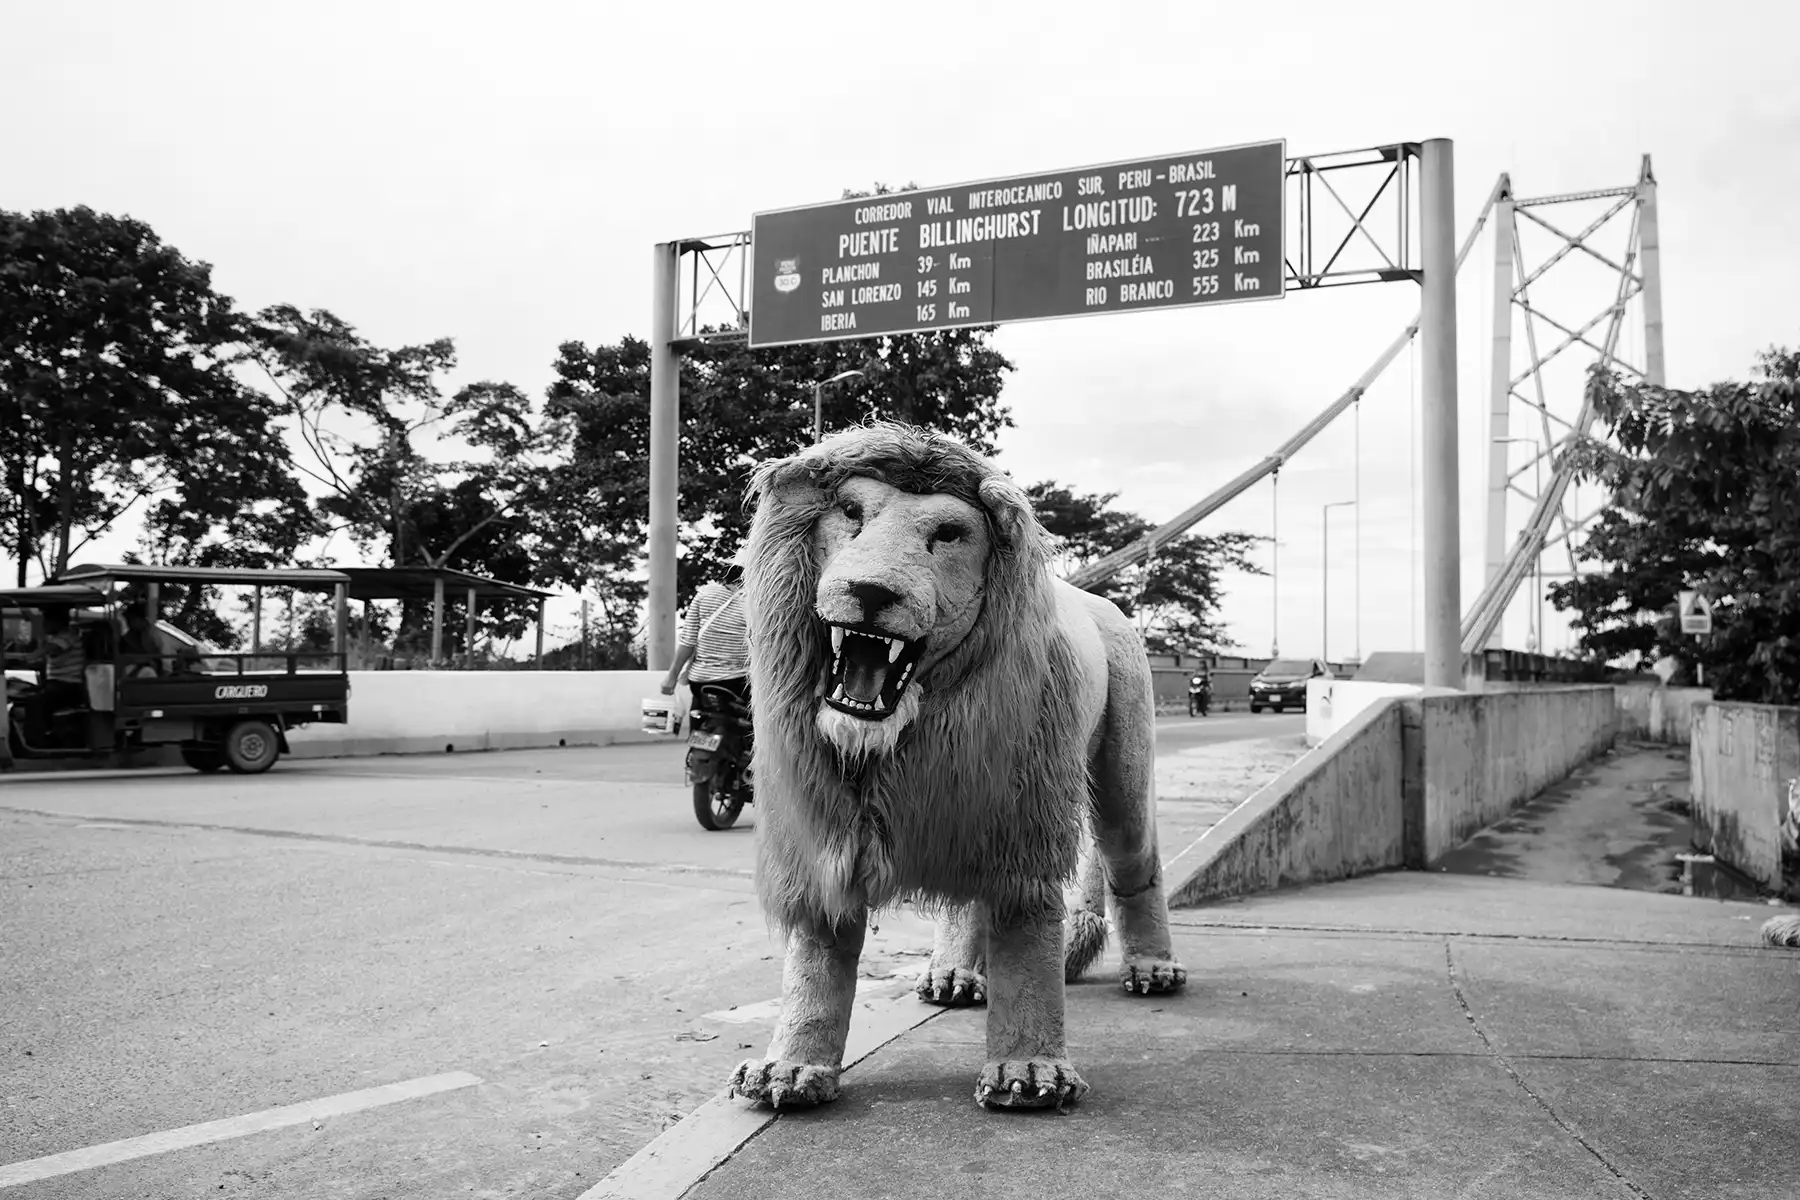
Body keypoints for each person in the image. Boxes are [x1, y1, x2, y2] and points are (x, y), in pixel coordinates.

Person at [660, 553, 752, 727]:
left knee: (699, 717)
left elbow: (688, 641)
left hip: (700, 682)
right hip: (737, 683)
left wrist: (671, 677)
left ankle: (698, 738)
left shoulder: (704, 594)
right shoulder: (753, 602)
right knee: (755, 730)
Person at [24, 608, 87, 711]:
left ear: (57, 622)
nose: (44, 625)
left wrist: (28, 657)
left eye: (46, 621)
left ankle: (38, 727)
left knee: (35, 702)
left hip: (68, 684)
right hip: (56, 683)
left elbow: (52, 649)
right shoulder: (55, 637)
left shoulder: (68, 635)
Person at [119, 604, 168, 677]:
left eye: (132, 619)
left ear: (142, 620)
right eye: (128, 619)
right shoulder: (127, 638)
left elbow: (164, 656)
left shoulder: (155, 634)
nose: (129, 622)